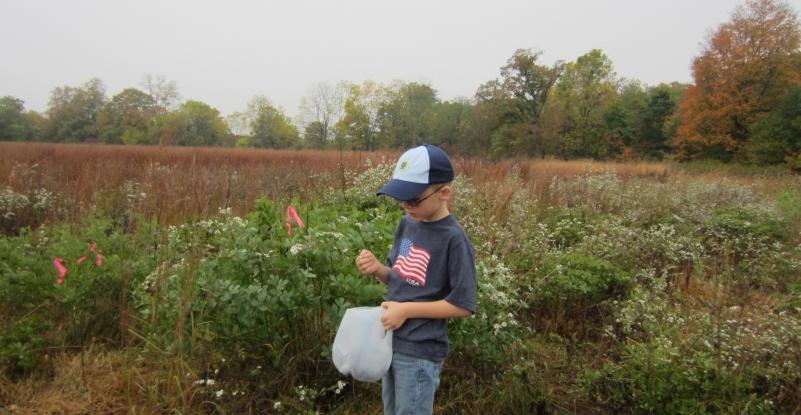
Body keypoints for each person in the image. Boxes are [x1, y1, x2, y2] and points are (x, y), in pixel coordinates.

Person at [355, 144, 477, 415]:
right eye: (401, 198)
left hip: (420, 352)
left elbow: (463, 304)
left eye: (414, 199)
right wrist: (377, 269)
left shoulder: (454, 240)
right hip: (390, 342)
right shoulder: (407, 224)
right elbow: (400, 280)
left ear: (443, 193)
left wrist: (406, 310)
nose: (405, 205)